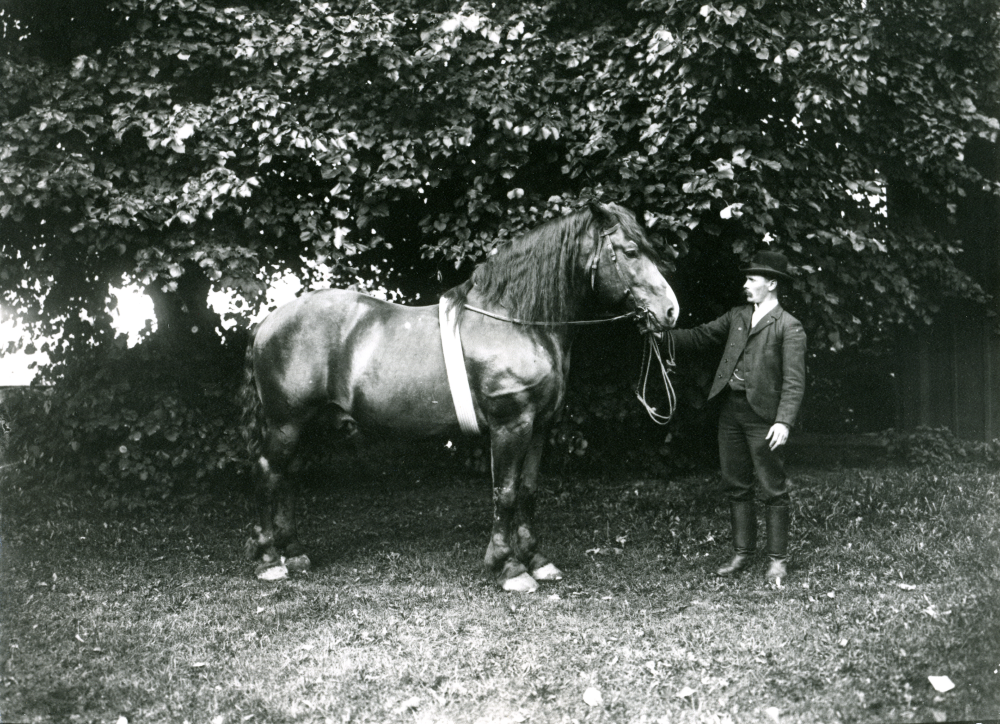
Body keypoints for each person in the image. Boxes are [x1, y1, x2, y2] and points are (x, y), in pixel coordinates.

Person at [667, 250, 806, 582]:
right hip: (731, 411)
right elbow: (700, 336)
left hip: (765, 417)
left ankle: (777, 560)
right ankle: (742, 553)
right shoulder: (738, 316)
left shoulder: (789, 326)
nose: (745, 285)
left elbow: (794, 380)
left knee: (772, 487)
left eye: (752, 280)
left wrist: (783, 422)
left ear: (771, 284)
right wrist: (661, 335)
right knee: (735, 484)